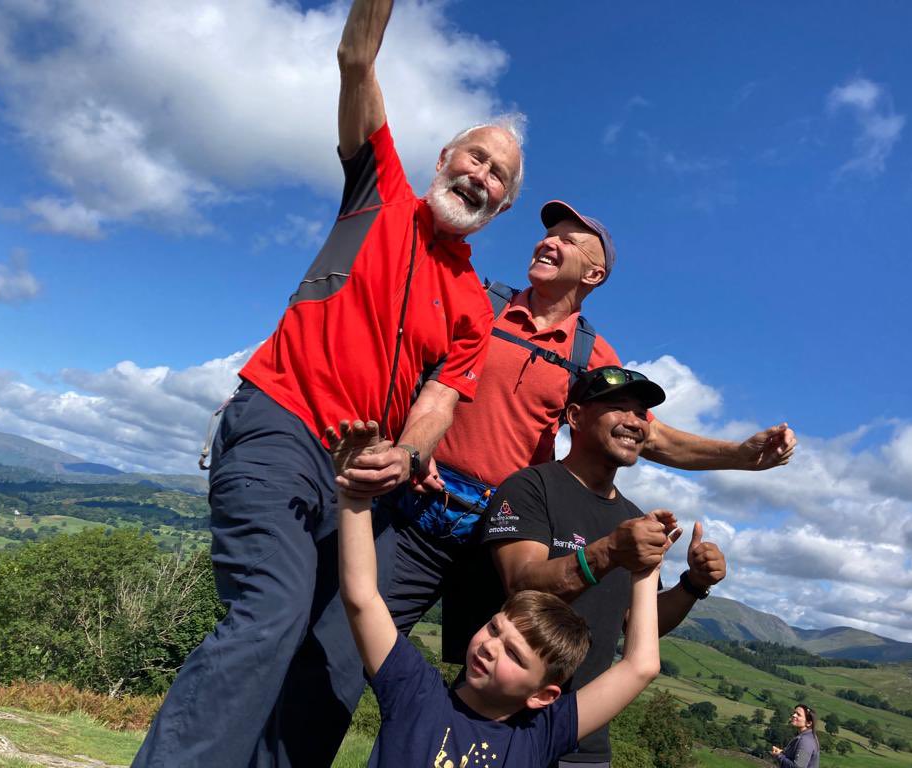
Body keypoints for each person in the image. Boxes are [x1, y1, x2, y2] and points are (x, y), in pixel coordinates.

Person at [131, 0, 523, 765]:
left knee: (341, 654)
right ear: (444, 157)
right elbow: (356, 61)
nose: (479, 175)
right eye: (474, 157)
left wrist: (408, 456)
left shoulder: (476, 309)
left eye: (497, 176)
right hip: (279, 423)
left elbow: (440, 400)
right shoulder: (378, 193)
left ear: (501, 206)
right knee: (273, 611)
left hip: (360, 483)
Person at [371, 200, 795, 656]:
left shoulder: (591, 354)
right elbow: (403, 366)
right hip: (418, 504)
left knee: (488, 671)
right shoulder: (479, 303)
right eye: (547, 235)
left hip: (506, 529)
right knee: (354, 642)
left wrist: (741, 456)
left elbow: (648, 435)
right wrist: (413, 444)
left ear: (594, 274)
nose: (547, 243)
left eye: (567, 241)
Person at [327, 418, 676, 768]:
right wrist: (356, 492)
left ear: (543, 695)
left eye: (514, 654)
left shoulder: (540, 735)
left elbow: (641, 666)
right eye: (495, 628)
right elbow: (362, 597)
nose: (491, 647)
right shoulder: (415, 691)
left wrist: (647, 568)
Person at [464, 365, 729, 766]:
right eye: (618, 407)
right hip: (495, 724)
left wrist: (692, 584)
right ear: (575, 417)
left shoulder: (632, 519)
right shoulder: (529, 488)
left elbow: (637, 622)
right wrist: (608, 552)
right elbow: (521, 584)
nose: (635, 422)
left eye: (641, 413)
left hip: (583, 740)